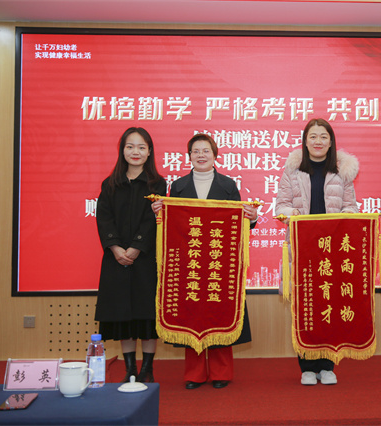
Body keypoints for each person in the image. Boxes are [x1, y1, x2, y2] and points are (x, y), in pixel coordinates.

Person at [152, 133, 258, 390]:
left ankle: (221, 372)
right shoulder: (178, 186)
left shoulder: (228, 185)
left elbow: (241, 223)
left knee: (219, 312)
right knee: (191, 315)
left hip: (220, 261)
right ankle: (195, 374)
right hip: (189, 261)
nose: (201, 155)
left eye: (205, 150)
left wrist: (252, 217)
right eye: (195, 151)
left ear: (215, 155)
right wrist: (159, 213)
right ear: (189, 156)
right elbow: (172, 225)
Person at [275, 118, 359, 386]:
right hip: (302, 248)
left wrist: (345, 217)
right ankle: (307, 366)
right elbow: (280, 206)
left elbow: (351, 207)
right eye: (313, 136)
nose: (318, 141)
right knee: (305, 306)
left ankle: (328, 365)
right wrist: (294, 213)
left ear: (331, 142)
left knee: (330, 305)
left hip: (333, 250)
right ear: (305, 140)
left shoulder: (341, 172)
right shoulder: (292, 171)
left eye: (323, 136)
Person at [95, 127, 166, 383]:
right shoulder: (110, 184)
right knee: (122, 314)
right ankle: (130, 369)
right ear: (122, 150)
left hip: (145, 258)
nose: (135, 152)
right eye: (130, 146)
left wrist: (136, 247)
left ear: (149, 152)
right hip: (116, 259)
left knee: (146, 315)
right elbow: (104, 218)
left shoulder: (157, 184)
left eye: (141, 147)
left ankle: (147, 368)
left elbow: (152, 220)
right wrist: (115, 248)